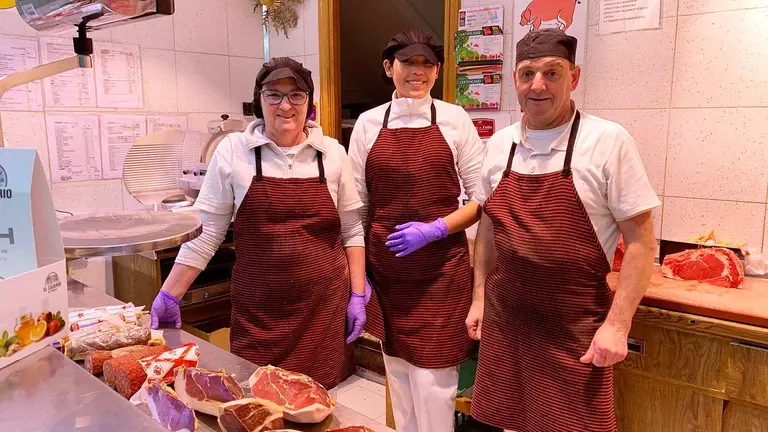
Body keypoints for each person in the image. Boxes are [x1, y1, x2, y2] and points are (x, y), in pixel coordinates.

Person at [466, 29, 660, 431]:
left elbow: (642, 244)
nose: (538, 85)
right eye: (527, 74)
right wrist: (479, 298)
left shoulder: (607, 141)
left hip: (574, 330)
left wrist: (617, 325)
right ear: (515, 79)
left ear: (574, 77)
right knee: (509, 423)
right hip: (506, 321)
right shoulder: (499, 145)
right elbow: (487, 230)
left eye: (551, 73)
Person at [150, 57, 370, 390]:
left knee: (317, 400)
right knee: (257, 399)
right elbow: (207, 233)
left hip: (323, 310)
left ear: (309, 104)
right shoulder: (233, 151)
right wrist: (170, 293)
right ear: (259, 101)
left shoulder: (333, 153)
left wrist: (357, 293)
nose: (286, 105)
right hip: (259, 315)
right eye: (274, 95)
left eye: (296, 95)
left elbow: (352, 231)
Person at [348, 29, 485, 432]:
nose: (418, 71)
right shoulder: (368, 124)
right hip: (388, 277)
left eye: (427, 63)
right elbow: (357, 208)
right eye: (408, 62)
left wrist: (437, 228)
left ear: (438, 71)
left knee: (434, 383)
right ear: (389, 67)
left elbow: (482, 198)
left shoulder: (455, 120)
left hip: (441, 275)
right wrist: (359, 281)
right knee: (399, 377)